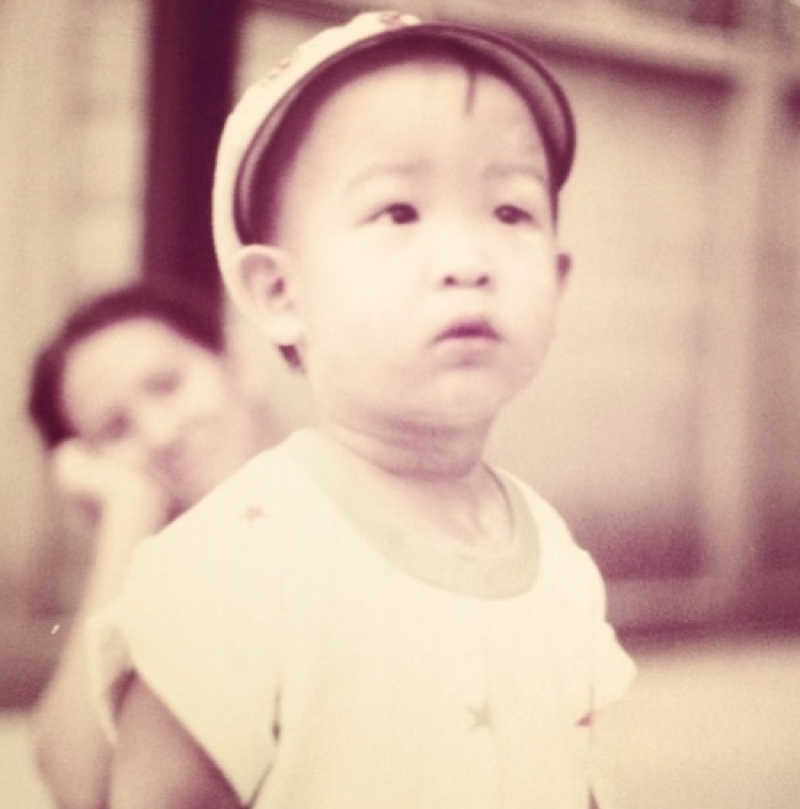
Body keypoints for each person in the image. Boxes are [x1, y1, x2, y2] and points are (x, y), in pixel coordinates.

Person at [92, 11, 636, 809]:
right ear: (281, 294)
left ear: (557, 278)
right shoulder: (231, 565)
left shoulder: (556, 554)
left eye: (511, 211)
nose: (468, 261)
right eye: (398, 211)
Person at [27, 281, 283, 809]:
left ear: (238, 366)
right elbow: (76, 789)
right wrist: (129, 509)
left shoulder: (367, 493)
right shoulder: (170, 592)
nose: (161, 434)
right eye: (115, 429)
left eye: (167, 385)